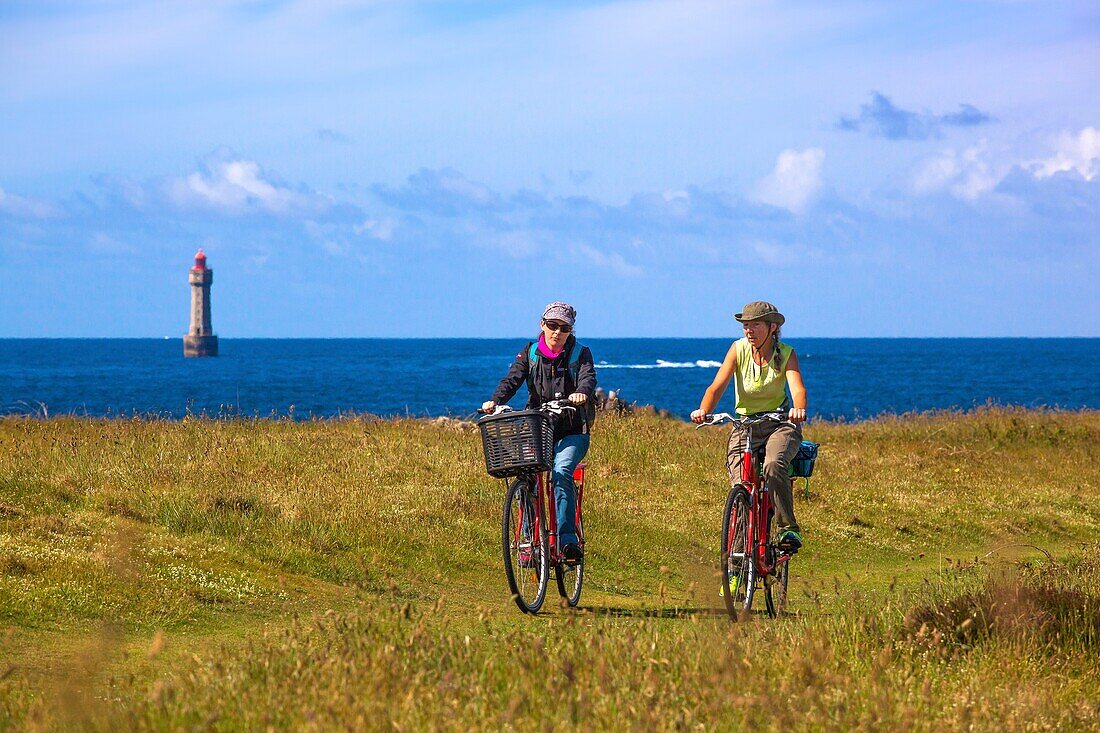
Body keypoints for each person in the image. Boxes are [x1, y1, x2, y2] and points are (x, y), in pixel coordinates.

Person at [482, 302, 596, 562]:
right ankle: (528, 541)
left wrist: (581, 393)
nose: (557, 332)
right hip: (537, 426)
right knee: (527, 474)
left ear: (570, 330)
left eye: (564, 328)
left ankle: (567, 541)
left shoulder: (581, 353)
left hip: (572, 429)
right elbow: (512, 379)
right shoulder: (530, 352)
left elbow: (588, 379)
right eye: (552, 325)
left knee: (561, 471)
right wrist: (495, 401)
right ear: (542, 324)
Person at [690, 301, 808, 551]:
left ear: (772, 326)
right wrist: (704, 410)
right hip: (745, 425)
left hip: (779, 423)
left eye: (755, 325)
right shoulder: (738, 349)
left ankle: (787, 528)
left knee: (774, 465)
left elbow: (797, 388)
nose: (749, 331)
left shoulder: (786, 354)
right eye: (745, 326)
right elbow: (717, 386)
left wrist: (798, 409)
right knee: (741, 487)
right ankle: (738, 559)